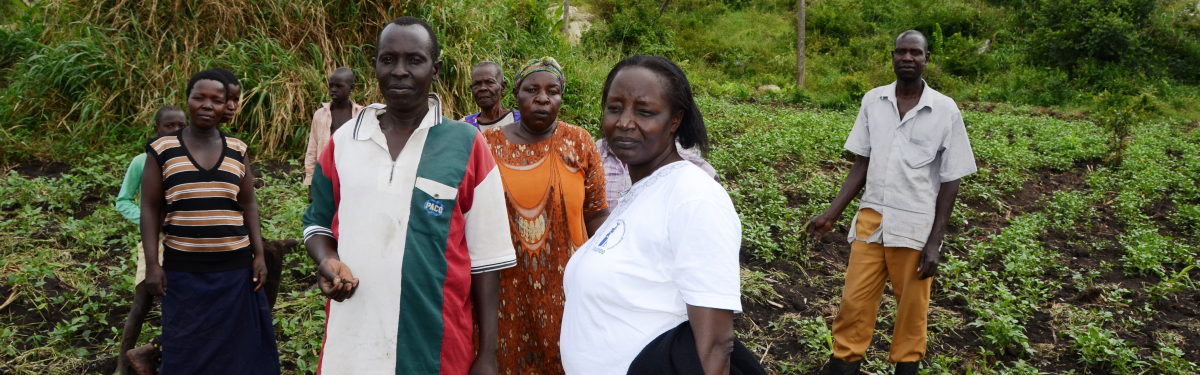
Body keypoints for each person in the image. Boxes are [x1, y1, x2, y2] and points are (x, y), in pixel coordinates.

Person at [300, 17, 516, 375]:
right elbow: (318, 222)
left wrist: (488, 354)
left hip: (435, 347)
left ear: (436, 69)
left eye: (414, 60)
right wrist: (326, 260)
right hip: (351, 344)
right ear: (375, 66)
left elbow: (486, 260)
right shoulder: (343, 143)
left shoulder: (466, 144)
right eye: (388, 59)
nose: (399, 71)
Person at [560, 55, 763, 375]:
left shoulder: (693, 197)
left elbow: (715, 346)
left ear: (675, 120)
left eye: (644, 111)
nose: (625, 122)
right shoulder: (641, 192)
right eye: (615, 108)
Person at [805, 30, 976, 375]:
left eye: (916, 52)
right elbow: (862, 163)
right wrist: (830, 215)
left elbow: (951, 179)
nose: (908, 58)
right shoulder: (873, 101)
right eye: (901, 52)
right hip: (870, 221)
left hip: (915, 228)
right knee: (852, 309)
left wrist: (935, 242)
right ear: (893, 57)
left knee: (911, 318)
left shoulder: (944, 110)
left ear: (927, 59)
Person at [138, 69, 280, 374]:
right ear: (187, 100)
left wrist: (258, 254)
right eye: (199, 97)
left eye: (217, 100)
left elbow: (249, 203)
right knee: (184, 347)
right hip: (183, 270)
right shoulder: (162, 150)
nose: (207, 105)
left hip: (235, 270)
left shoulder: (237, 150)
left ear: (226, 106)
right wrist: (152, 263)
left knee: (238, 351)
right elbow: (149, 208)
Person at [480, 57, 607, 375]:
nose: (542, 98)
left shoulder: (579, 142)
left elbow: (596, 217)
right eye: (532, 89)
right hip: (506, 294)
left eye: (553, 91)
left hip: (571, 292)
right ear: (516, 95)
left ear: (561, 97)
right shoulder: (486, 146)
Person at [115, 105, 186, 375]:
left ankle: (160, 355)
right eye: (170, 126)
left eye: (181, 125)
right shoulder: (141, 162)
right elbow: (123, 201)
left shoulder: (192, 159)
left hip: (186, 237)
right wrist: (149, 222)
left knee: (181, 300)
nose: (177, 131)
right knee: (143, 300)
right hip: (154, 239)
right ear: (156, 130)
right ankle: (123, 365)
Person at [596, 137, 717, 210]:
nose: (625, 123)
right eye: (615, 109)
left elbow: (711, 180)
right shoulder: (598, 149)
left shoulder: (674, 152)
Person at [303, 67, 364, 186]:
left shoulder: (361, 115)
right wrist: (310, 183)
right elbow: (312, 149)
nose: (333, 90)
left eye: (339, 86)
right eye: (331, 86)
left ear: (351, 88)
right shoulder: (320, 115)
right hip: (325, 173)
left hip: (352, 175)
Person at [463, 61, 520, 131]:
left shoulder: (523, 121)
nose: (482, 88)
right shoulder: (464, 126)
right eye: (476, 84)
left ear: (503, 87)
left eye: (489, 82)